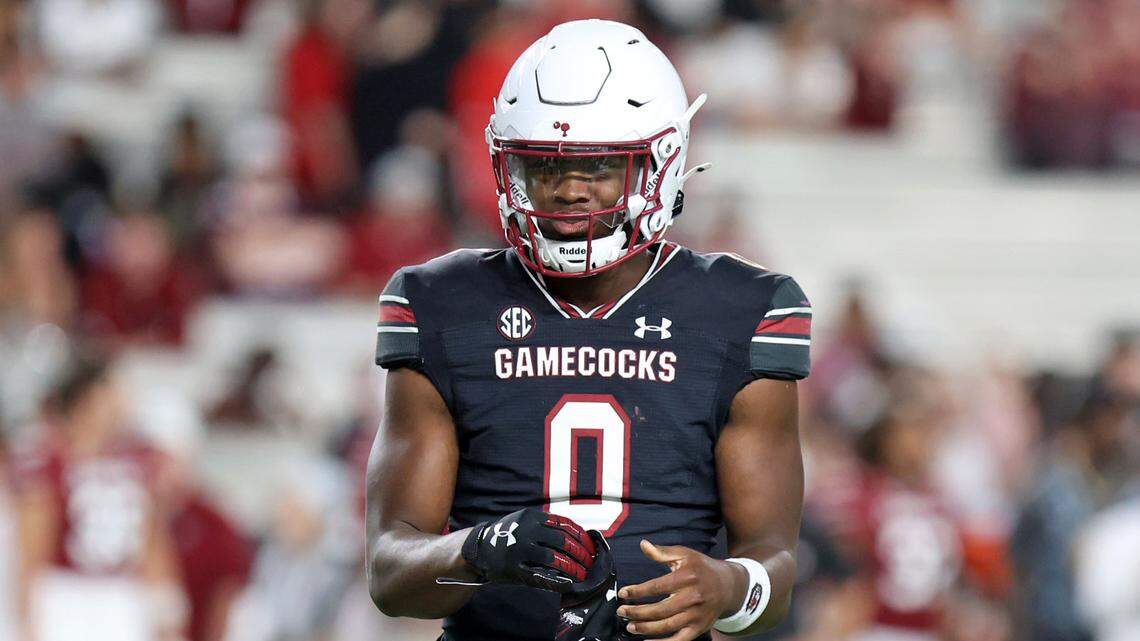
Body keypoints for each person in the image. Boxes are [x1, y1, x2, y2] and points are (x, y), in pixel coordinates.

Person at [366, 19, 811, 641]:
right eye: (546, 169)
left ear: (663, 162)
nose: (572, 191)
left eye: (599, 168)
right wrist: (478, 551)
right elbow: (389, 574)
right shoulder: (442, 303)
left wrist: (726, 587)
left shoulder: (739, 311)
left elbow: (775, 570)